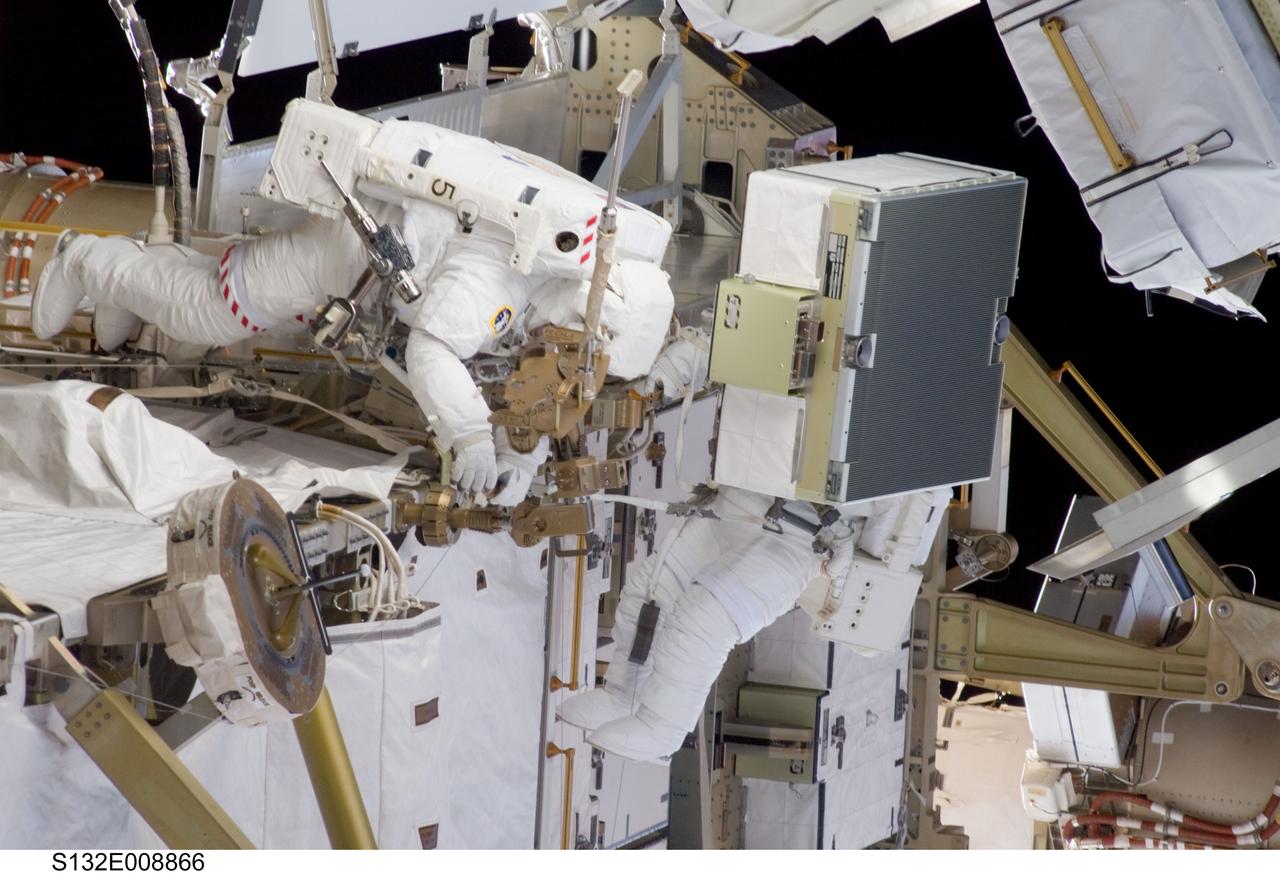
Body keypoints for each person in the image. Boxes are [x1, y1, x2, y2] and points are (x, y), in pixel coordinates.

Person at [31, 114, 675, 506]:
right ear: (597, 312)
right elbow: (431, 350)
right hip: (338, 254)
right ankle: (81, 257)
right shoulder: (499, 284)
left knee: (211, 291)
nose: (574, 361)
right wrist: (474, 438)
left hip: (372, 256)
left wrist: (521, 456)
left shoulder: (559, 284)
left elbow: (545, 386)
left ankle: (120, 281)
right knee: (207, 314)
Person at [559, 484, 951, 762]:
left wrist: (842, 563)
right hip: (746, 500)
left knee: (705, 616)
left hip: (803, 542)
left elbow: (892, 531)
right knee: (651, 591)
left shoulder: (912, 435)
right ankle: (621, 694)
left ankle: (662, 729)